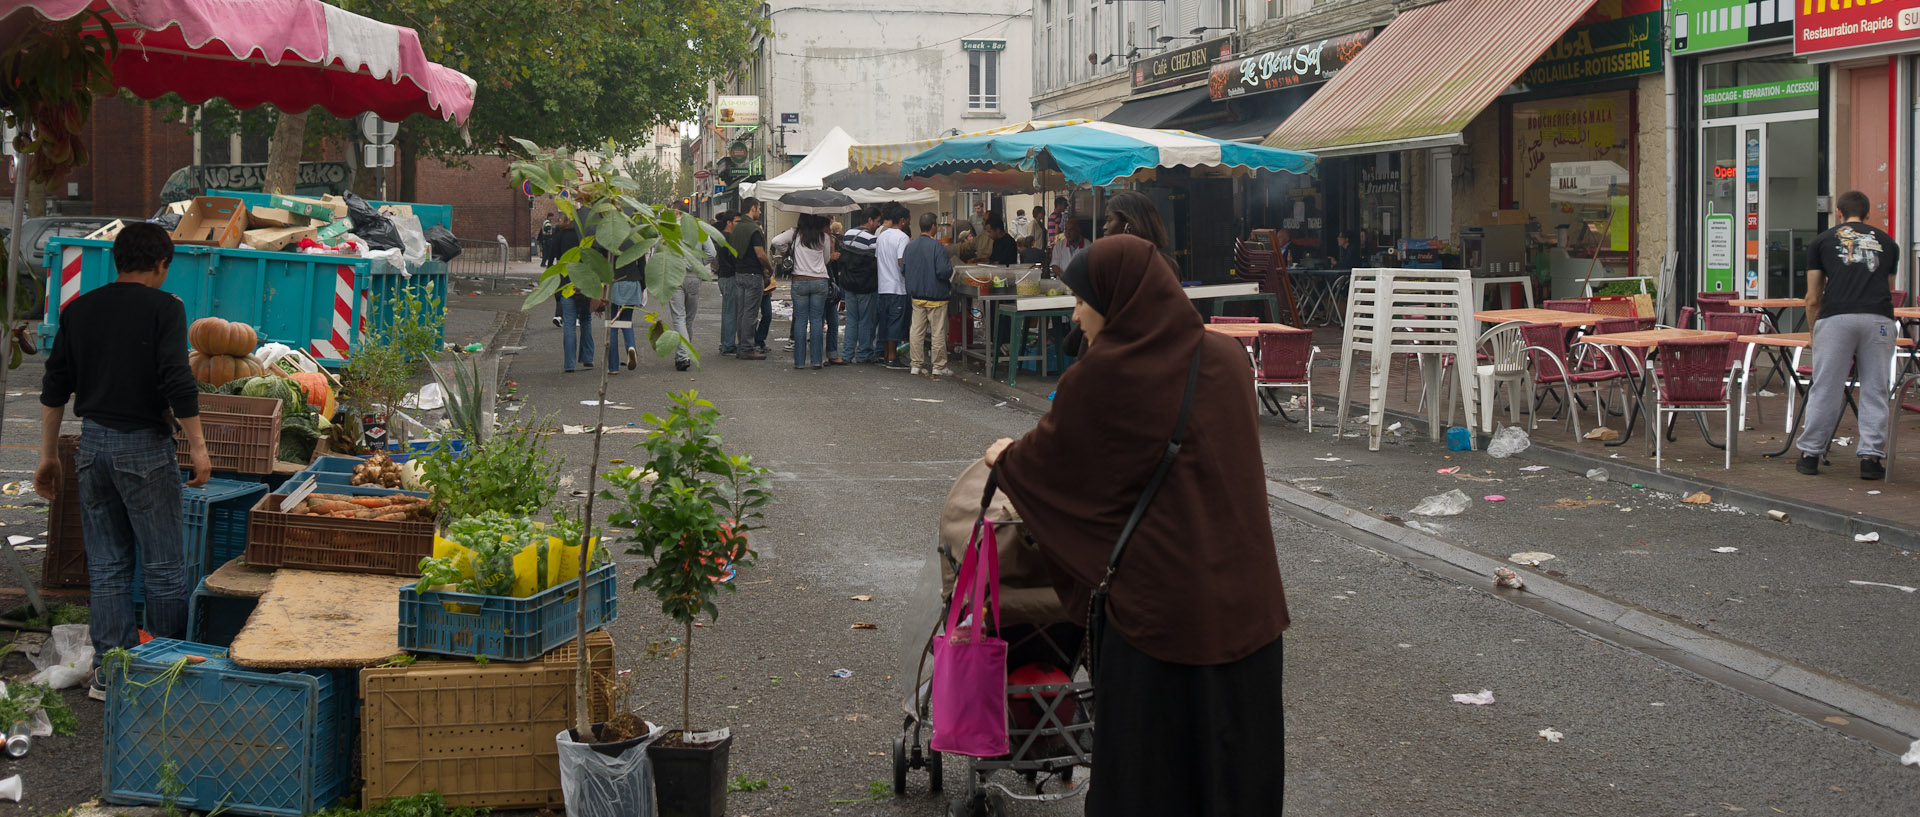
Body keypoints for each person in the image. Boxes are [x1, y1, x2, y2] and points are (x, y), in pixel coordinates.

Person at [982, 233, 1288, 815]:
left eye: (1081, 298)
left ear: (1115, 298)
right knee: (1234, 772)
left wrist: (1005, 459)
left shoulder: (1102, 378)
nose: (1074, 312)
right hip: (1248, 611)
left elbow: (1054, 468)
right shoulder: (1224, 359)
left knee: (1154, 780)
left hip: (1159, 621)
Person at [37, 223, 212, 701]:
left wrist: (49, 455)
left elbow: (55, 388)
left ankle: (109, 674)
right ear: (161, 264)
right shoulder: (166, 308)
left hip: (91, 446)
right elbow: (177, 379)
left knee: (108, 565)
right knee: (163, 566)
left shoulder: (78, 310)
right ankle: (162, 667)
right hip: (143, 449)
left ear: (117, 260)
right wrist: (198, 445)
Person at [1795, 190, 1900, 480]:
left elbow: (1813, 296)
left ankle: (1810, 455)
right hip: (1877, 318)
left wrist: (1814, 331)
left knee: (1826, 386)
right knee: (1876, 388)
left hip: (1836, 318)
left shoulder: (1821, 242)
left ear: (1838, 213)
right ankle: (1870, 458)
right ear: (1868, 215)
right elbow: (1887, 288)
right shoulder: (1889, 243)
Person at [772, 213, 838, 370]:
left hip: (800, 281)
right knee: (816, 321)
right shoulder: (824, 237)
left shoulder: (795, 233)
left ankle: (799, 362)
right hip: (819, 281)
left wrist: (789, 250)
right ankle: (816, 361)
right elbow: (827, 259)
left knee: (800, 321)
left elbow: (776, 241)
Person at [904, 212, 956, 377]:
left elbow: (903, 269)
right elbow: (943, 271)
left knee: (916, 331)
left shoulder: (910, 246)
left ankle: (915, 364)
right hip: (937, 296)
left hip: (917, 296)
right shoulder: (937, 247)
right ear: (933, 226)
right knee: (938, 332)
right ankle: (938, 366)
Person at [839, 207, 882, 364]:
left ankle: (847, 354)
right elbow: (876, 262)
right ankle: (863, 353)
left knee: (851, 319)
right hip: (866, 285)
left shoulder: (848, 234)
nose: (878, 225)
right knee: (865, 320)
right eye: (877, 221)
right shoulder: (872, 239)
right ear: (870, 220)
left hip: (849, 284)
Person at [731, 198, 773, 360]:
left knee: (741, 312)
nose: (760, 212)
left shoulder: (737, 227)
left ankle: (742, 345)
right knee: (750, 313)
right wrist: (770, 268)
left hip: (739, 273)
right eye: (759, 208)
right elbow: (760, 254)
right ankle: (748, 348)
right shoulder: (753, 229)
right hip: (753, 274)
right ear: (753, 207)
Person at [875, 204, 913, 370]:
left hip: (883, 286)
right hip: (897, 286)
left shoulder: (882, 236)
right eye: (909, 220)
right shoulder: (902, 237)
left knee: (884, 322)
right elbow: (901, 261)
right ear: (903, 220)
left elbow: (878, 258)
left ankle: (885, 355)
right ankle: (892, 357)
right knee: (896, 322)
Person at [713, 211, 740, 356]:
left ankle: (726, 342)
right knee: (731, 311)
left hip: (723, 276)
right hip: (730, 276)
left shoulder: (720, 237)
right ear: (729, 222)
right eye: (736, 221)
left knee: (727, 310)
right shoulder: (729, 238)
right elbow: (733, 259)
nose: (738, 224)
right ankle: (728, 344)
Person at [549, 214, 580, 328]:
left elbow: (553, 252)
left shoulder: (559, 235)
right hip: (577, 267)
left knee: (562, 291)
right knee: (576, 291)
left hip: (563, 267)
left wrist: (549, 267)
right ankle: (576, 317)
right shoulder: (579, 235)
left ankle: (558, 315)